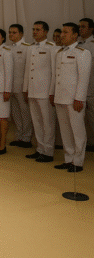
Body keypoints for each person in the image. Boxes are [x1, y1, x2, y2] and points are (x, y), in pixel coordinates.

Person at [50, 23, 91, 173]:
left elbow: (83, 78)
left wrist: (80, 98)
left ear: (75, 35)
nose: (62, 35)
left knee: (78, 131)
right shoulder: (59, 52)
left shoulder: (82, 53)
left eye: (66, 32)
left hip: (74, 99)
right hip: (60, 97)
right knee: (65, 131)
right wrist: (52, 93)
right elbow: (56, 76)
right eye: (62, 32)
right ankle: (68, 159)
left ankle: (78, 161)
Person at [23, 21, 59, 163]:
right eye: (33, 29)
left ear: (45, 32)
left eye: (38, 29)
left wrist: (52, 92)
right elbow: (27, 70)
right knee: (37, 122)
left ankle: (48, 152)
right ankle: (40, 149)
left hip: (44, 91)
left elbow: (55, 72)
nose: (35, 32)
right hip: (32, 90)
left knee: (47, 122)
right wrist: (25, 89)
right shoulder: (30, 48)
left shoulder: (52, 48)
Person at [7, 24, 33, 148]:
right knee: (15, 113)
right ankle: (19, 135)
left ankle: (27, 138)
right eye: (10, 32)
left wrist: (26, 88)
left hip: (22, 87)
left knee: (25, 112)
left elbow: (28, 70)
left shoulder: (27, 48)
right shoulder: (7, 48)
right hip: (10, 87)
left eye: (14, 32)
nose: (11, 35)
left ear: (21, 34)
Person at [78, 18, 94, 150]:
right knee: (83, 120)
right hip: (79, 88)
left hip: (92, 87)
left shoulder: (92, 44)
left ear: (91, 29)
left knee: (92, 117)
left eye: (83, 27)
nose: (80, 29)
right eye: (79, 27)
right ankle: (90, 143)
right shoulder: (77, 43)